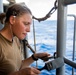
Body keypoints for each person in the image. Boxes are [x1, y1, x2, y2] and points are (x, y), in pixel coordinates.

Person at [0, 3, 50, 75]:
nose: (29, 30)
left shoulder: (16, 39)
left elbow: (18, 66)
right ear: (12, 20)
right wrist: (20, 73)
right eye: (26, 24)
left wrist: (35, 57)